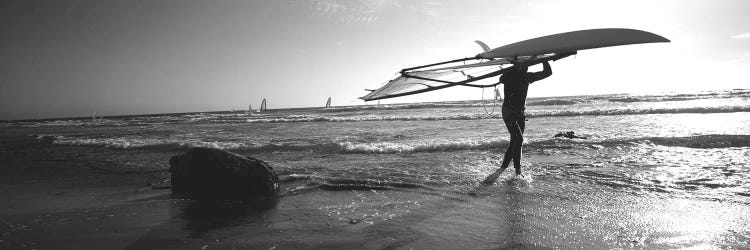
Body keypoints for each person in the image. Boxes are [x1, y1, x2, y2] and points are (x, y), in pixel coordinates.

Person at [497, 60, 552, 177]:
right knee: (519, 139)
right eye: (525, 65)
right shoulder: (510, 75)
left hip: (520, 113)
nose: (527, 67)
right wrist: (513, 69)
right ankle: (518, 170)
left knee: (515, 140)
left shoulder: (527, 76)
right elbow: (501, 79)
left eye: (528, 65)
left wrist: (544, 59)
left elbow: (548, 72)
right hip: (509, 112)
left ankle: (504, 166)